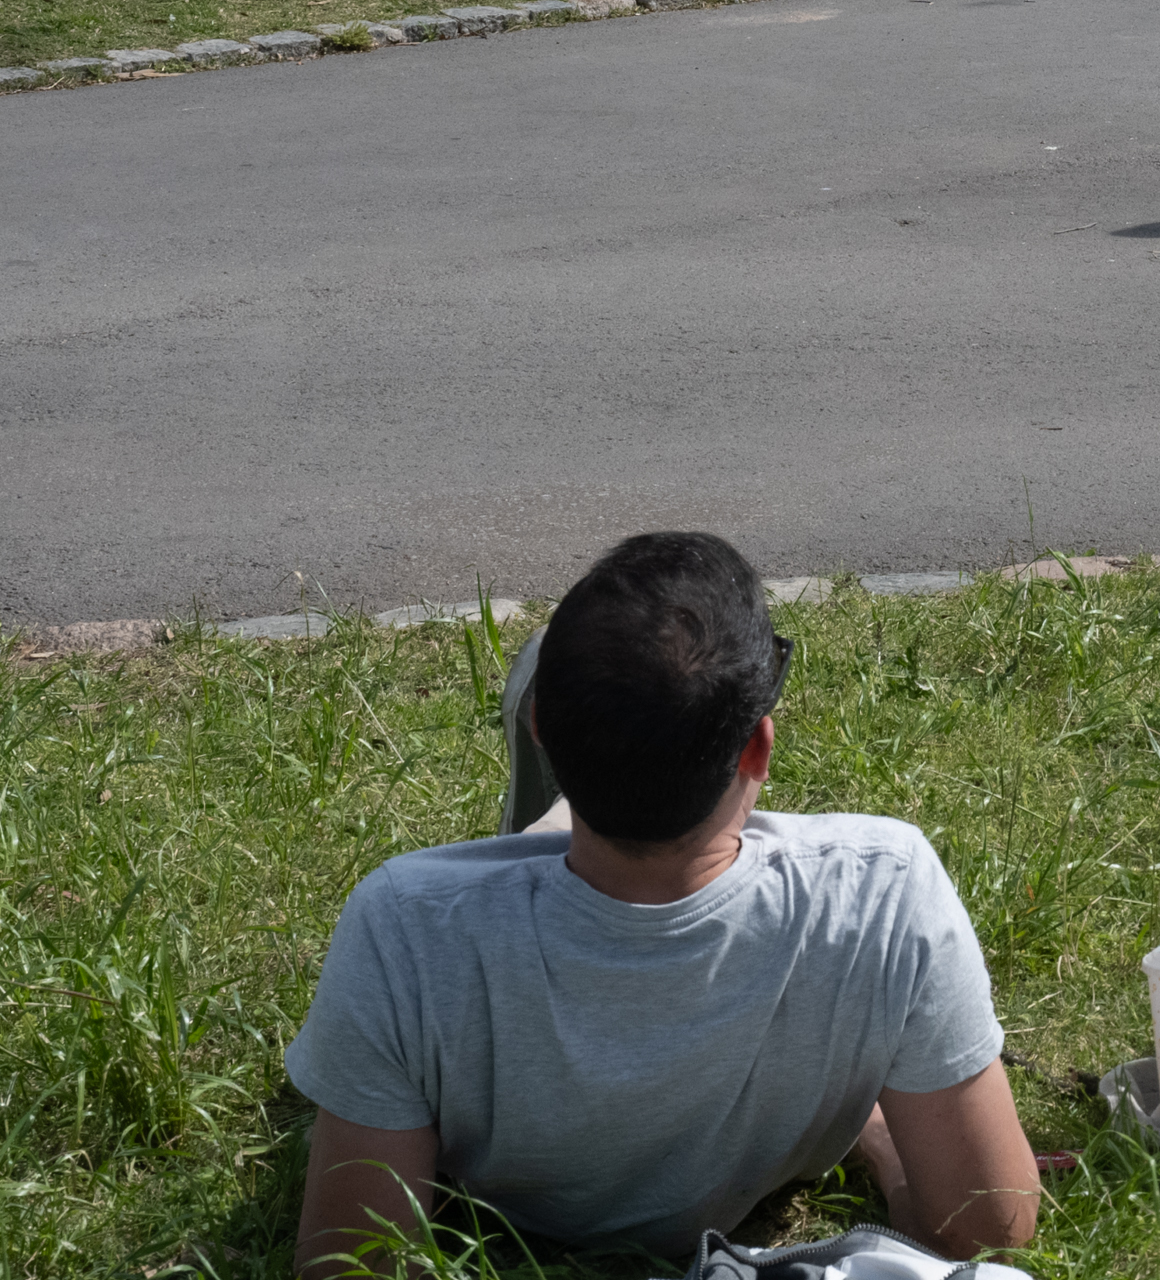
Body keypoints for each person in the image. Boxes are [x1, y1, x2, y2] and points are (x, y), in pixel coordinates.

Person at [288, 533, 1039, 1273]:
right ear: (759, 749)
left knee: (531, 861)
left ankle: (570, 781)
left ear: (543, 731)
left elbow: (351, 1264)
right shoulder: (883, 885)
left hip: (505, 1178)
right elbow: (989, 1227)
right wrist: (879, 1134)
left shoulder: (405, 922)